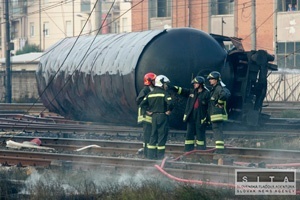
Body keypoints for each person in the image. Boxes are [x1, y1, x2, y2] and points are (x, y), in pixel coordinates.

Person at [167, 76, 210, 151]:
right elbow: (182, 91)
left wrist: (207, 119)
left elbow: (209, 107)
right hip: (191, 116)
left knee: (200, 135)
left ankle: (201, 150)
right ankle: (188, 150)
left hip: (200, 117)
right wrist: (173, 87)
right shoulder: (192, 92)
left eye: (195, 83)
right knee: (189, 133)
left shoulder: (206, 93)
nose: (194, 85)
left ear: (200, 84)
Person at [139, 75, 174, 159]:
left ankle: (151, 156)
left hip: (153, 117)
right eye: (165, 84)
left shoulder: (150, 94)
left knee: (153, 135)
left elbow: (142, 104)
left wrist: (147, 111)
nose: (166, 86)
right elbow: (170, 103)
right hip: (162, 116)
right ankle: (160, 156)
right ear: (161, 84)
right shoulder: (165, 93)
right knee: (162, 136)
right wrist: (169, 110)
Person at [207, 71, 229, 154]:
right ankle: (219, 148)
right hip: (215, 115)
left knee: (217, 132)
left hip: (217, 115)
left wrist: (219, 103)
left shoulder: (218, 88)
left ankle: (219, 150)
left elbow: (225, 94)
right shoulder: (215, 89)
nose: (210, 81)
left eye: (211, 79)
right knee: (217, 131)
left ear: (216, 80)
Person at [136, 72, 157, 158]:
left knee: (152, 135)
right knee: (147, 136)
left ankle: (151, 153)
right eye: (154, 80)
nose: (155, 82)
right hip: (146, 117)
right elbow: (139, 101)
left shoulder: (153, 89)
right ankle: (146, 154)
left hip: (151, 117)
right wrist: (147, 109)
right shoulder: (145, 90)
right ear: (149, 82)